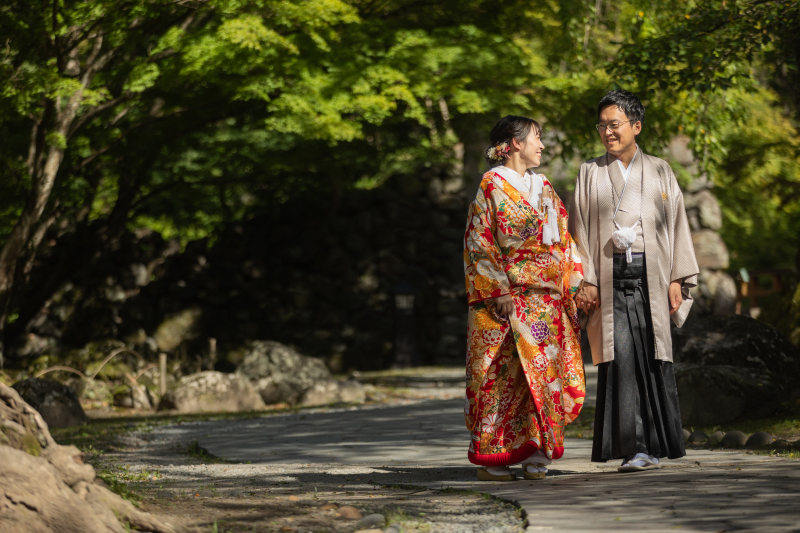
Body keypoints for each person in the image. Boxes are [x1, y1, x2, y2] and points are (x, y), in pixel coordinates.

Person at [569, 89, 699, 472]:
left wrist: (677, 277)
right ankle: (635, 447)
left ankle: (656, 444)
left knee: (653, 356)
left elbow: (676, 224)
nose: (608, 132)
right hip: (609, 280)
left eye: (615, 124)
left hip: (652, 277)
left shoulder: (660, 170)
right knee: (621, 359)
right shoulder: (589, 172)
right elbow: (579, 231)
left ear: (636, 126)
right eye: (602, 126)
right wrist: (586, 279)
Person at [463, 115, 586, 481]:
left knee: (545, 378)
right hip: (507, 298)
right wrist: (496, 289)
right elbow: (479, 240)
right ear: (515, 142)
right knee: (501, 376)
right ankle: (495, 452)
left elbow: (563, 240)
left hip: (546, 301)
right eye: (537, 137)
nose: (542, 145)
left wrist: (575, 282)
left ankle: (537, 452)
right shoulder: (491, 186)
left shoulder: (545, 187)